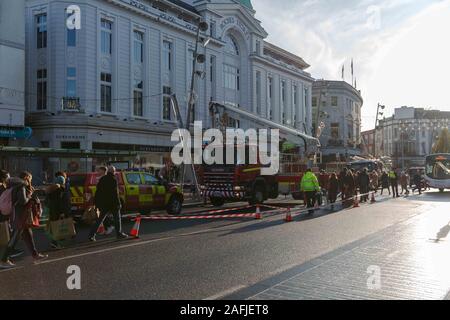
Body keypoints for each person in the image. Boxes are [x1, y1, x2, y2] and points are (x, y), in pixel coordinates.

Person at [1, 171, 48, 269]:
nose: (31, 180)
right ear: (26, 177)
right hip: (20, 216)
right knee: (15, 238)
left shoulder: (15, 186)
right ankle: (4, 260)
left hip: (20, 215)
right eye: (30, 178)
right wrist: (30, 197)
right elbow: (22, 201)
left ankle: (35, 255)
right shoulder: (21, 186)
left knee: (28, 235)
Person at [89, 166, 128, 241]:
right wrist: (118, 203)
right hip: (113, 203)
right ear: (113, 171)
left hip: (104, 204)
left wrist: (96, 203)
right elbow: (115, 194)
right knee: (117, 219)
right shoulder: (113, 179)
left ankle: (91, 235)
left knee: (100, 220)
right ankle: (119, 234)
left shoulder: (102, 179)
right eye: (115, 171)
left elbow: (98, 192)